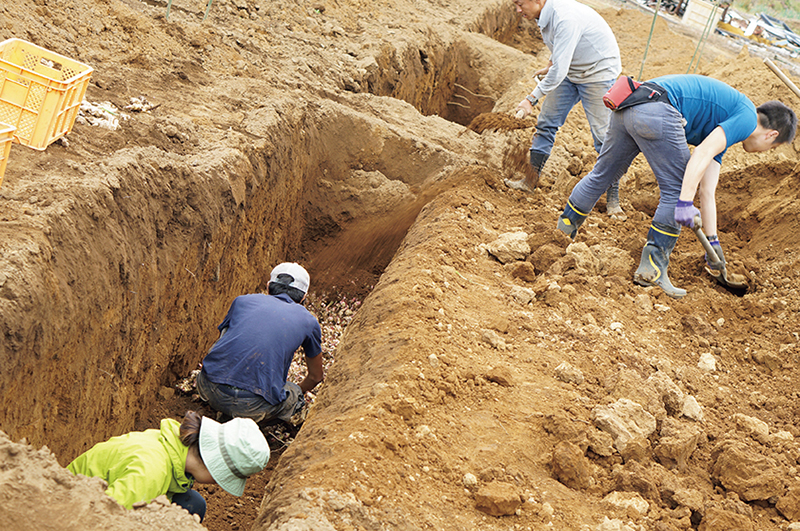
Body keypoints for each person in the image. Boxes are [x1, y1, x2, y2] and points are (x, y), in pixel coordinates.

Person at [556, 74, 797, 298]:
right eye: (773, 148)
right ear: (771, 135)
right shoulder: (745, 119)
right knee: (676, 190)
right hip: (657, 110)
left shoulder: (729, 120)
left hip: (630, 105)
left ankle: (561, 232)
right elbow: (701, 153)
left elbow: (707, 191)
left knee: (603, 174)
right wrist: (683, 202)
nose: (767, 152)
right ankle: (652, 270)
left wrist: (712, 243)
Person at [505, 0, 625, 218]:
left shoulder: (565, 18)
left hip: (598, 72)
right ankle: (529, 181)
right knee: (546, 123)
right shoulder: (544, 16)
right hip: (572, 71)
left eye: (520, 4)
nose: (518, 10)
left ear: (538, 0)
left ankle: (613, 199)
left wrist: (530, 99)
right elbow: (561, 48)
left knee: (603, 137)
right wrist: (551, 64)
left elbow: (560, 69)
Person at [67, 412, 269, 521]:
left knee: (193, 504)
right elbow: (103, 520)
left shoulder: (171, 446)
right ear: (215, 468)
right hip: (72, 510)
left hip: (108, 500)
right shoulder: (150, 473)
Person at [196, 262, 323, 427]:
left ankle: (226, 407)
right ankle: (257, 420)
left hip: (209, 388)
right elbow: (316, 376)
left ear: (269, 286)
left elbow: (224, 341)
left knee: (227, 333)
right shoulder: (309, 321)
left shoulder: (241, 301)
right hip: (252, 407)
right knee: (293, 394)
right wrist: (292, 392)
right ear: (304, 297)